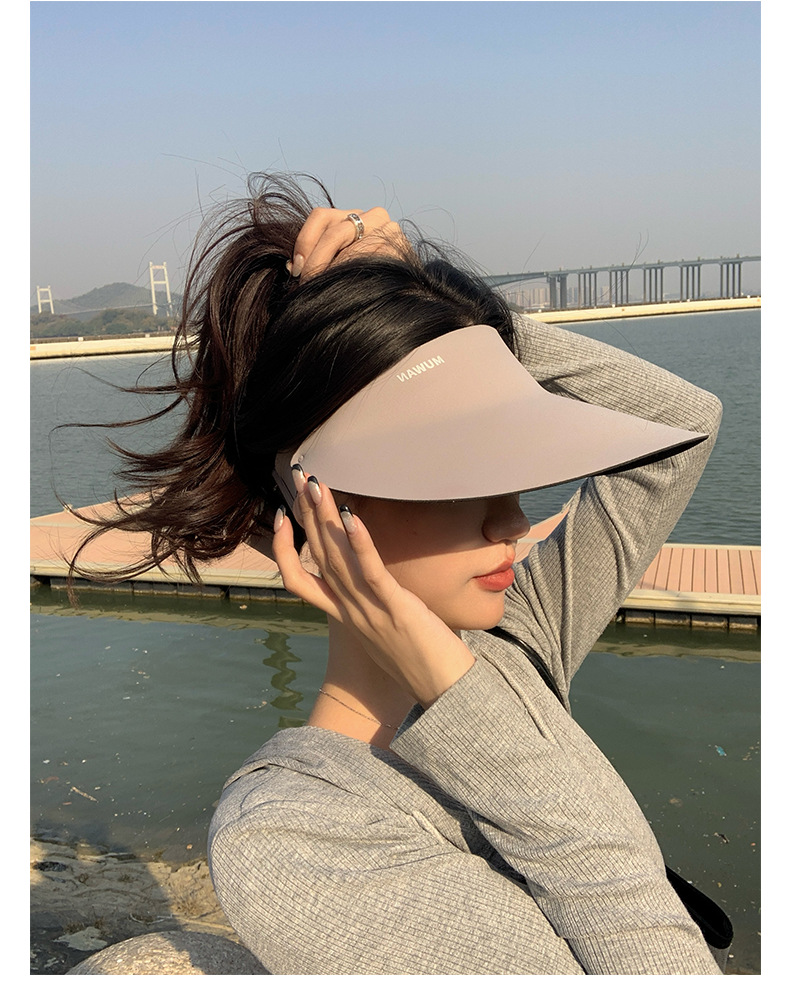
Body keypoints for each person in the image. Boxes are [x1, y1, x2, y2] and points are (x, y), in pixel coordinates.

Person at [72, 174, 727, 974]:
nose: (513, 524)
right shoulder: (291, 837)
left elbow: (682, 426)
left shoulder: (513, 644)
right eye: (457, 482)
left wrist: (445, 316)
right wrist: (460, 701)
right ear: (316, 504)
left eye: (514, 474)